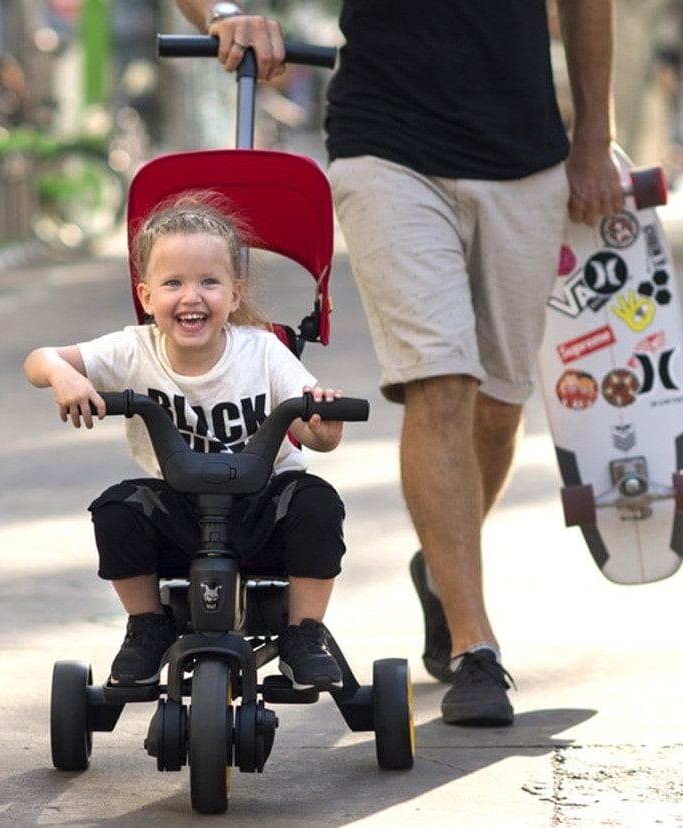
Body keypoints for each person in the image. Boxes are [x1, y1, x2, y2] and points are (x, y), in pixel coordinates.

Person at [175, 0, 625, 726]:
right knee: (441, 382)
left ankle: (444, 569)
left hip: (526, 155)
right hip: (387, 148)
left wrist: (595, 141)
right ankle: (476, 647)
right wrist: (229, 13)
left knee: (499, 400)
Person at [24, 192, 349, 691]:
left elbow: (316, 436)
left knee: (318, 504)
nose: (190, 296)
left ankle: (303, 633)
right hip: (180, 511)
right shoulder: (134, 348)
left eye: (208, 282)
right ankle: (147, 624)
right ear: (147, 296)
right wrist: (65, 378)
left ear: (235, 295)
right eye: (172, 282)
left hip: (264, 506)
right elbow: (39, 358)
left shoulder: (261, 351)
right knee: (117, 509)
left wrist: (323, 419)